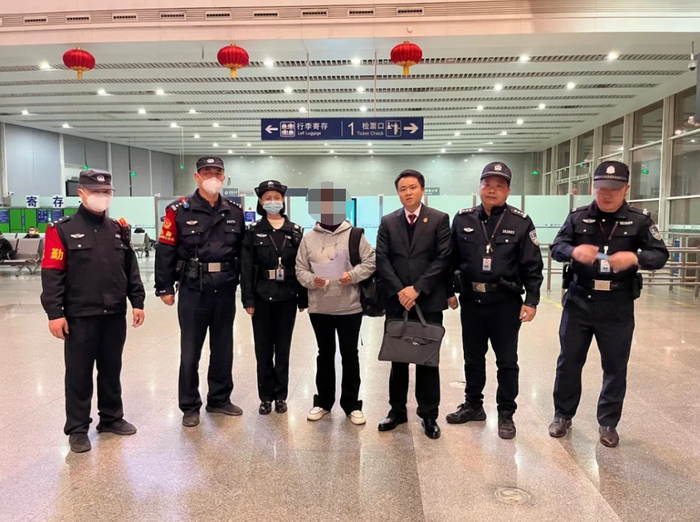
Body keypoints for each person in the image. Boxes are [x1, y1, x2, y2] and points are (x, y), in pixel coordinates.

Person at [549, 160, 669, 447]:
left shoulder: (639, 220)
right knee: (569, 362)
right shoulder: (578, 217)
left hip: (617, 304)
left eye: (614, 189)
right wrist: (574, 251)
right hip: (580, 300)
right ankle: (563, 414)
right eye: (601, 188)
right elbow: (556, 247)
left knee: (615, 366)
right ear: (593, 187)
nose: (606, 194)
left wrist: (636, 258)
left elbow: (660, 254)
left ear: (626, 188)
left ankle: (608, 423)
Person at [40, 169, 145, 454]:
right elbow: (52, 274)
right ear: (81, 193)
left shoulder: (118, 229)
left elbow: (130, 269)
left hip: (114, 313)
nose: (102, 196)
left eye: (107, 192)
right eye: (97, 192)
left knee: (111, 369)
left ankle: (111, 418)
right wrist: (54, 313)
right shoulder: (61, 230)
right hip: (80, 315)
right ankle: (77, 428)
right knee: (79, 373)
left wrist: (137, 301)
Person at [445, 162, 543, 439]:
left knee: (507, 361)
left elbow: (532, 264)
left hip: (505, 302)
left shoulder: (520, 222)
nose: (492, 190)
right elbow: (449, 259)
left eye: (499, 186)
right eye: (487, 184)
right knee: (472, 357)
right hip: (471, 300)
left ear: (508, 190)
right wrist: (448, 291)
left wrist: (532, 300)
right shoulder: (463, 219)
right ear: (480, 187)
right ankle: (473, 406)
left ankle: (506, 413)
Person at [155, 156, 245, 428]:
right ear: (197, 177)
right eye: (207, 172)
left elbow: (244, 252)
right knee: (190, 351)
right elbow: (166, 248)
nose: (213, 177)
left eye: (218, 172)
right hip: (194, 288)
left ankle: (219, 399)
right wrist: (164, 286)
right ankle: (189, 405)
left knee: (223, 348)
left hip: (225, 287)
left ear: (224, 176)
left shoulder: (234, 211)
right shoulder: (179, 210)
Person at [376, 169, 453, 440]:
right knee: (397, 357)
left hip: (428, 300)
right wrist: (401, 290)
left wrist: (417, 288)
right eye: (402, 189)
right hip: (397, 300)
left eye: (412, 187)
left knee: (427, 359)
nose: (407, 192)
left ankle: (429, 414)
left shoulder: (439, 219)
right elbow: (382, 259)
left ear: (422, 189)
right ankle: (397, 411)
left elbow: (443, 258)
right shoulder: (388, 221)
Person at [295, 182, 376, 426]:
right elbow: (300, 268)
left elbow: (371, 261)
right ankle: (323, 402)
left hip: (350, 306)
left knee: (350, 354)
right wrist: (312, 280)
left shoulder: (355, 235)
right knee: (325, 353)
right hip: (320, 307)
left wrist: (352, 275)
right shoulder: (308, 239)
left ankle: (352, 404)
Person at [241, 180, 307, 415]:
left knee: (283, 348)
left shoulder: (295, 232)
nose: (272, 202)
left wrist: (303, 298)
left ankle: (281, 396)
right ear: (261, 201)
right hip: (261, 297)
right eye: (267, 198)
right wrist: (248, 300)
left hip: (287, 296)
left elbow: (302, 266)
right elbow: (246, 269)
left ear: (283, 200)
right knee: (263, 349)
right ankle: (265, 397)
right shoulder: (252, 232)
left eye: (276, 197)